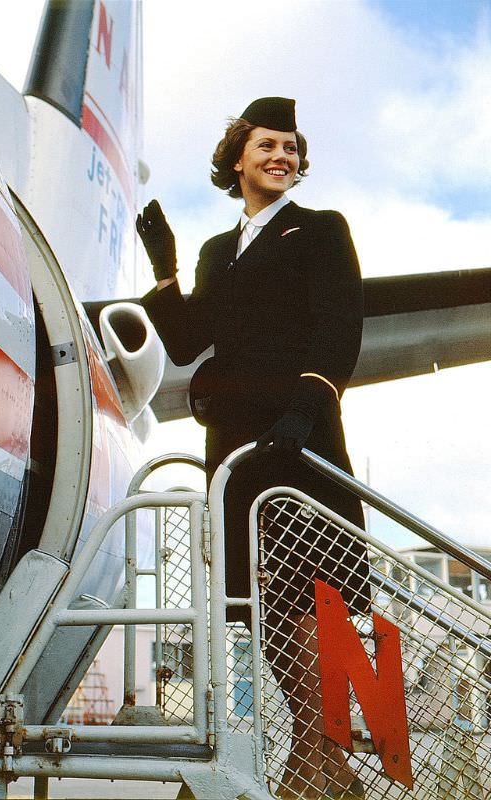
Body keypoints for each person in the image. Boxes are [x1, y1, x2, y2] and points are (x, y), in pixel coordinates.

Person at [138, 98, 368, 800]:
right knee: (258, 602)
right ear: (237, 156)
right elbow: (186, 343)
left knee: (306, 594)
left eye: (292, 148)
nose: (283, 157)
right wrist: (166, 273)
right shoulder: (218, 251)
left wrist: (309, 407)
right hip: (235, 445)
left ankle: (316, 764)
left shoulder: (319, 230)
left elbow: (339, 327)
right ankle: (330, 770)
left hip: (296, 433)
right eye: (268, 145)